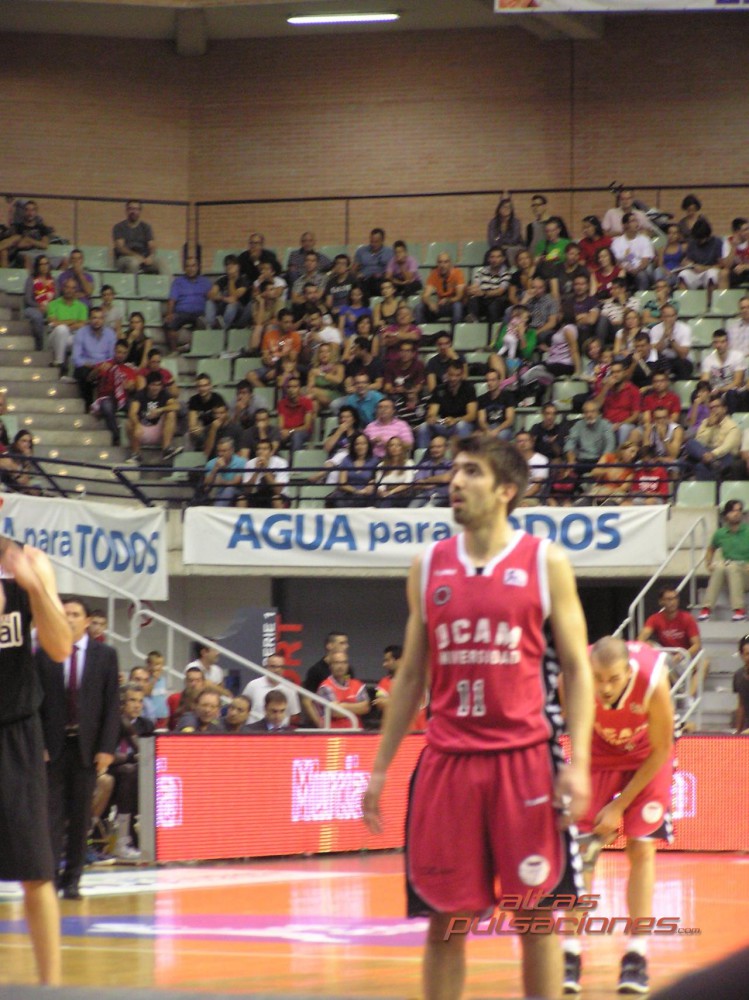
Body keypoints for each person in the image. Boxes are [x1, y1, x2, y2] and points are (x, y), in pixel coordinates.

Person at [363, 435, 593, 1000]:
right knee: (446, 922)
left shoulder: (545, 562)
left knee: (535, 919)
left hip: (526, 764)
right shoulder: (428, 565)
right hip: (449, 764)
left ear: (505, 490)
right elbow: (412, 677)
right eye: (454, 471)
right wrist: (379, 769)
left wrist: (580, 762)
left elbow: (578, 671)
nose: (455, 482)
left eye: (471, 472)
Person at [562, 637, 674, 996]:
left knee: (641, 850)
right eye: (598, 679)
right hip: (596, 755)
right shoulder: (573, 680)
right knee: (583, 854)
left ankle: (637, 954)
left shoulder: (653, 683)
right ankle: (569, 951)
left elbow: (662, 749)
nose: (605, 687)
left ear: (628, 671)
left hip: (646, 758)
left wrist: (618, 806)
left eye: (613, 679)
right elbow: (576, 741)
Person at [0, 534, 72, 985]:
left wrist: (35, 589)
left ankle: (53, 988)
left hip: (15, 731)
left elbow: (61, 646)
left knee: (36, 872)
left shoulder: (27, 562)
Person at [37, 596, 119, 901]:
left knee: (81, 814)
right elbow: (37, 705)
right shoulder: (44, 653)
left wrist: (107, 748)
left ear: (87, 621)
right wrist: (40, 744)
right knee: (50, 816)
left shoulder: (105, 655)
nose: (69, 618)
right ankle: (50, 876)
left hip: (87, 749)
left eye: (74, 614)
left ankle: (73, 879)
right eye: (64, 613)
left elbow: (111, 705)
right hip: (53, 747)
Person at [698, 499, 749, 623]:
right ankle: (706, 609)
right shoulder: (720, 533)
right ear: (726, 514)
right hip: (729, 572)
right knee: (720, 566)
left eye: (739, 510)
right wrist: (708, 564)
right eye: (733, 511)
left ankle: (739, 610)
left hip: (746, 572)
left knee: (729, 566)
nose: (736, 513)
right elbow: (711, 550)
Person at [242, 651, 301, 726]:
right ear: (267, 667)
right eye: (273, 666)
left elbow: (294, 715)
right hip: (255, 733)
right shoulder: (253, 685)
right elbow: (242, 708)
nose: (277, 670)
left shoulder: (290, 689)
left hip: (280, 733)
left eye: (281, 667)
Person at [315, 650, 370, 729]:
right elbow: (335, 712)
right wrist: (356, 707)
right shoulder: (325, 687)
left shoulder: (357, 684)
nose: (340, 666)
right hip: (333, 735)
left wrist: (343, 705)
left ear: (347, 665)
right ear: (330, 666)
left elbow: (366, 708)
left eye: (344, 662)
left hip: (357, 734)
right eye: (337, 663)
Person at [112, 199, 168, 275]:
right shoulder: (119, 227)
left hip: (143, 259)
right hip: (124, 259)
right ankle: (131, 286)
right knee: (133, 263)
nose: (133, 212)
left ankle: (168, 286)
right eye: (131, 209)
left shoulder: (146, 227)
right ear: (126, 210)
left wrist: (151, 256)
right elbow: (120, 247)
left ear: (140, 211)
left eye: (136, 209)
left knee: (161, 263)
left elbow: (152, 245)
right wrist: (135, 256)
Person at [732, 636, 749, 734]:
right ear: (742, 655)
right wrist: (738, 731)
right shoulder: (738, 675)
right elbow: (741, 705)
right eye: (747, 654)